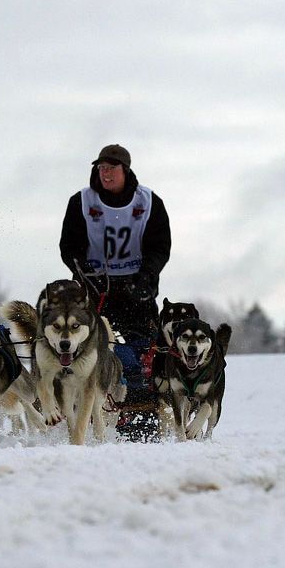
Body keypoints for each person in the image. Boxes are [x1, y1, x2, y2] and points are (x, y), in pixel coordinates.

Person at [59, 143, 172, 410]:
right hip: (96, 287)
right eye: (101, 168)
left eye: (111, 168)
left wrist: (147, 275)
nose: (105, 173)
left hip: (137, 286)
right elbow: (69, 246)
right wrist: (83, 272)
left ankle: (141, 406)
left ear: (126, 170)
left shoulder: (149, 202)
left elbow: (160, 246)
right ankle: (84, 401)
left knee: (145, 349)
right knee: (91, 344)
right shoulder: (82, 202)